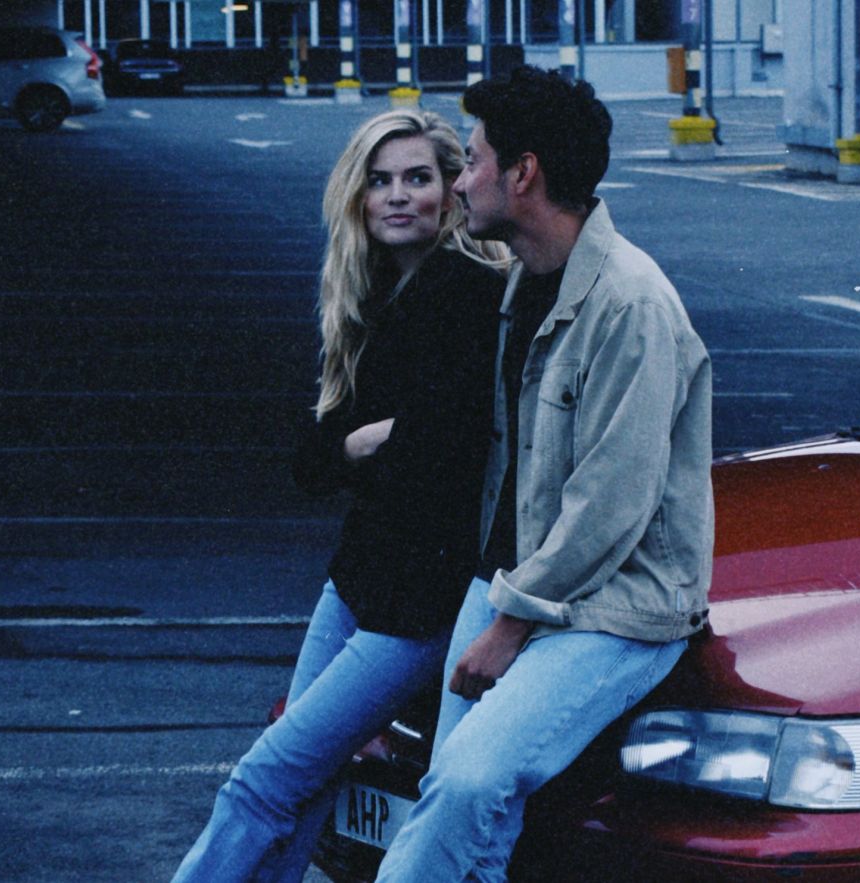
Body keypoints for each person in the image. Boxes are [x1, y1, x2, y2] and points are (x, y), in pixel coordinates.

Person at [374, 66, 715, 881]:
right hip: (511, 584)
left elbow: (611, 504)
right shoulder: (525, 280)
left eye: (474, 160)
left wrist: (510, 623)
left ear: (523, 173)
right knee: (471, 821)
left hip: (613, 608)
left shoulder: (630, 305)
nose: (460, 182)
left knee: (466, 781)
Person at [172, 109, 506, 882]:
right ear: (358, 198)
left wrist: (368, 445)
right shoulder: (368, 296)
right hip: (357, 579)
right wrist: (361, 443)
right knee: (302, 779)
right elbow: (311, 459)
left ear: (450, 189)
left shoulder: (467, 293)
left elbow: (440, 460)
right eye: (380, 181)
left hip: (418, 603)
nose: (398, 195)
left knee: (265, 779)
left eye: (418, 177)